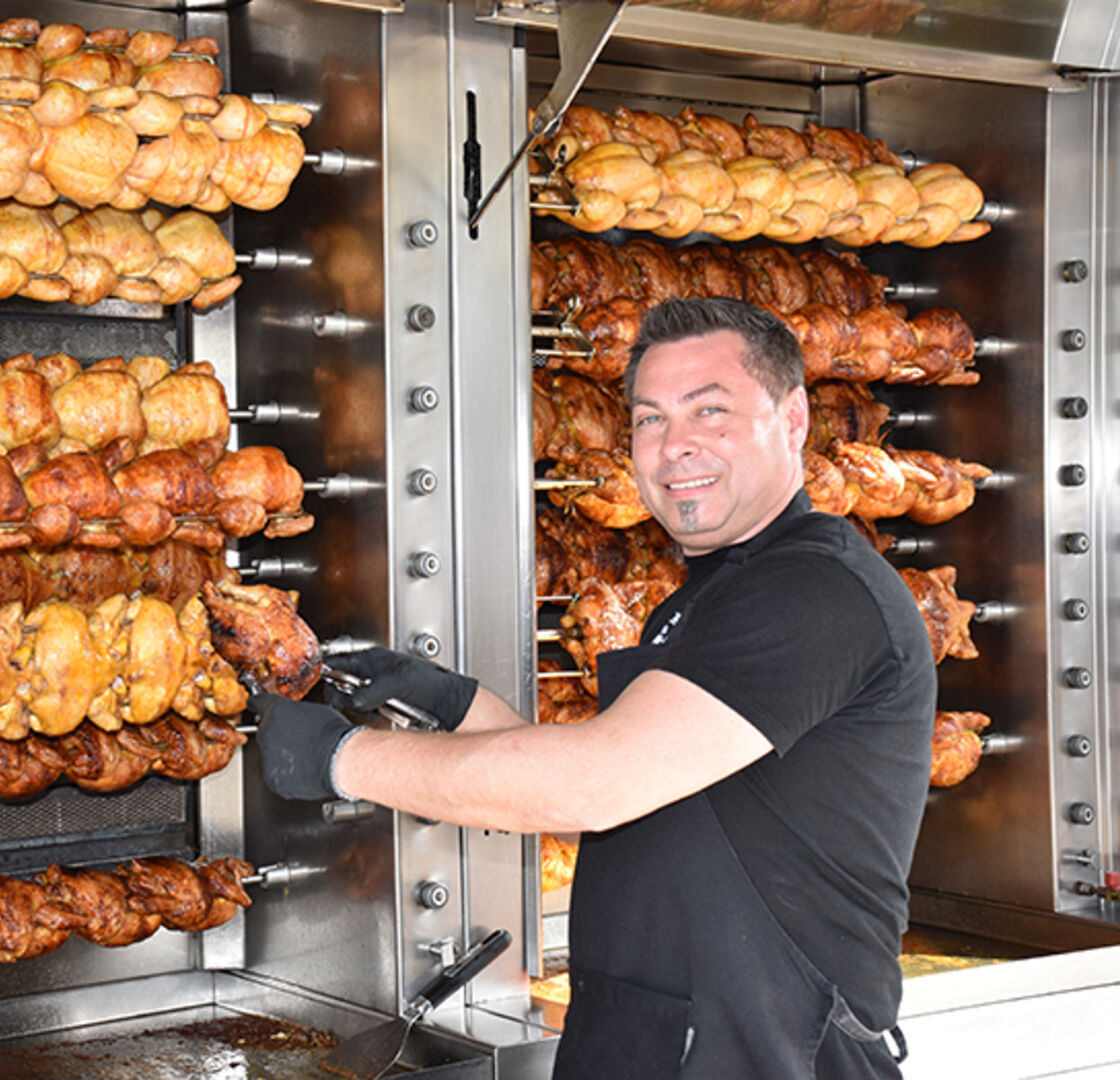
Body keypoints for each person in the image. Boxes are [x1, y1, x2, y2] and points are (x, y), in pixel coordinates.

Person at [247, 297, 936, 1080]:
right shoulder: (711, 596)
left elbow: (598, 784)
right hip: (662, 1039)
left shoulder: (812, 591)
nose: (674, 445)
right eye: (648, 419)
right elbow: (644, 814)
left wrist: (343, 759)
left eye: (708, 411)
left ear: (792, 420)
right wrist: (454, 705)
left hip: (765, 1051)